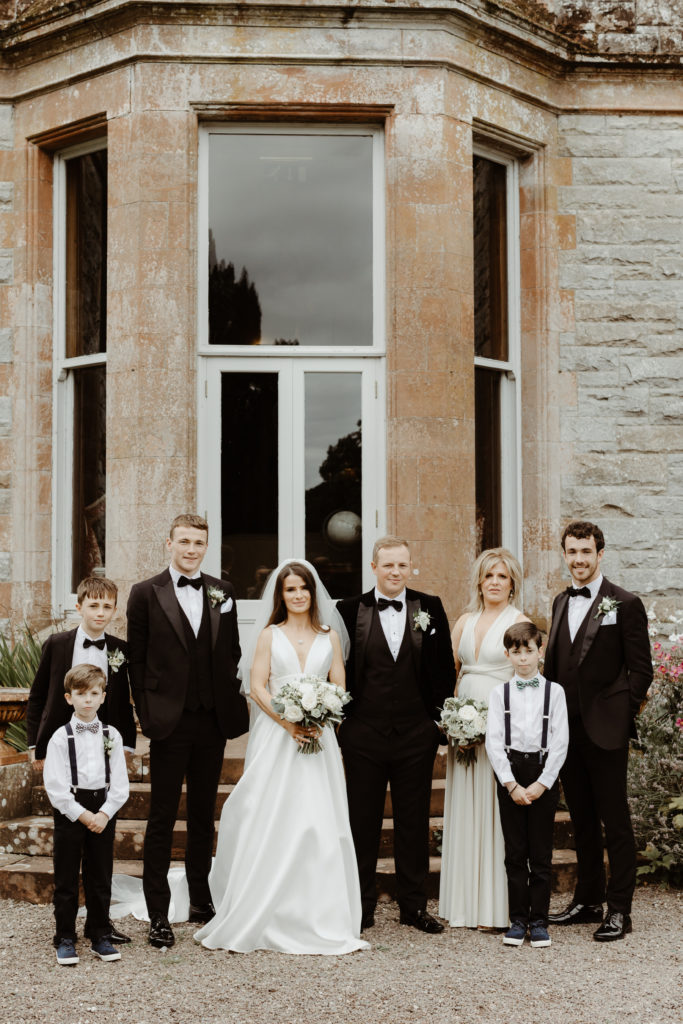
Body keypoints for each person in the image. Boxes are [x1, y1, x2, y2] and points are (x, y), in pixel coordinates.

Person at [194, 559, 368, 954]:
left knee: (319, 818)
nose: (298, 595)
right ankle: (264, 908)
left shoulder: (330, 637)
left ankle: (321, 911)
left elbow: (339, 686)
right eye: (290, 589)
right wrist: (290, 723)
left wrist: (323, 717)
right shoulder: (270, 635)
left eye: (303, 588)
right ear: (281, 595)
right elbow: (256, 686)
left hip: (320, 740)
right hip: (277, 737)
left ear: (313, 592)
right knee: (273, 813)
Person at [126, 513, 248, 949]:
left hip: (211, 719)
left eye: (199, 542)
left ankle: (201, 899)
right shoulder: (145, 593)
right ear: (169, 543)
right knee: (161, 815)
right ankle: (157, 911)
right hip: (167, 720)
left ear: (206, 546)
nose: (192, 549)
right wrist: (145, 715)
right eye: (184, 541)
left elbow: (231, 650)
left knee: (202, 813)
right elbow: (136, 662)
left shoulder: (223, 591)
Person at [336, 536, 457, 934]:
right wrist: (345, 724)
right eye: (388, 565)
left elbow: (443, 670)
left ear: (410, 567)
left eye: (402, 565)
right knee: (362, 822)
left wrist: (434, 724)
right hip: (363, 735)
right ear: (374, 567)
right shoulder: (348, 609)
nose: (395, 572)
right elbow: (339, 668)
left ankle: (414, 906)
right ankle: (361, 904)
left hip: (414, 735)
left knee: (413, 822)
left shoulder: (431, 607)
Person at [545, 521, 652, 942]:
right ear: (564, 553)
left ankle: (619, 910)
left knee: (615, 820)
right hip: (566, 731)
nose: (579, 560)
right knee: (582, 819)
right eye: (572, 552)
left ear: (600, 553)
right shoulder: (558, 601)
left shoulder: (625, 603)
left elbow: (641, 669)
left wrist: (620, 716)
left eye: (586, 552)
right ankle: (588, 899)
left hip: (605, 731)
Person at [26, 575, 136, 946]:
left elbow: (122, 700)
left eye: (108, 606)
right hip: (62, 747)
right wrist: (35, 745)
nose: (101, 612)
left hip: (103, 749)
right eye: (94, 605)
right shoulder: (57, 644)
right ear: (79, 607)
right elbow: (39, 695)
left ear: (114, 609)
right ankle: (65, 931)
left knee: (101, 849)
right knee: (69, 842)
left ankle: (99, 926)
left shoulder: (120, 649)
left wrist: (125, 747)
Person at [439, 548, 529, 929]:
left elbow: (525, 679)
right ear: (479, 580)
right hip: (463, 729)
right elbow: (451, 673)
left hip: (501, 724)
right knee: (466, 805)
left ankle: (494, 907)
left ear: (512, 584)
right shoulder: (463, 621)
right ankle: (462, 904)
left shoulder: (519, 621)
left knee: (495, 812)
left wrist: (499, 723)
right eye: (489, 575)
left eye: (502, 576)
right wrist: (452, 721)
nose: (494, 582)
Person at [485, 622, 568, 948]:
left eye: (528, 651)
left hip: (543, 771)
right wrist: (511, 784)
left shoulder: (555, 692)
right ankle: (518, 920)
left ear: (540, 651)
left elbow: (560, 741)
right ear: (507, 654)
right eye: (516, 652)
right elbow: (494, 742)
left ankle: (540, 921)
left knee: (541, 853)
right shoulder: (498, 693)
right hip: (511, 772)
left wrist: (542, 784)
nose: (523, 659)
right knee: (515, 853)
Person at [43, 664, 129, 965]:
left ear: (103, 697)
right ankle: (65, 936)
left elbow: (120, 783)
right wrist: (82, 815)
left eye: (94, 693)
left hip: (104, 808)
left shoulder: (112, 735)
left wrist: (104, 814)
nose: (88, 700)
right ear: (69, 698)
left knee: (100, 875)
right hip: (71, 810)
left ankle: (99, 933)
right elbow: (54, 786)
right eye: (81, 694)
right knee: (66, 875)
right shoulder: (59, 737)